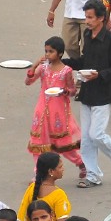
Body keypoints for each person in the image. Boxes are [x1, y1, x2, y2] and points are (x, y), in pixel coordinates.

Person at [61, 0, 111, 188]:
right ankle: (93, 175)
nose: (88, 21)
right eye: (86, 17)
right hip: (88, 92)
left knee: (96, 134)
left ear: (101, 18)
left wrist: (99, 75)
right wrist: (64, 62)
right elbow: (84, 61)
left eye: (91, 17)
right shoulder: (88, 36)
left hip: (103, 93)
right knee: (86, 138)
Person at [25, 43, 87, 180]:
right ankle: (39, 174)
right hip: (41, 111)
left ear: (60, 53)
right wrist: (35, 65)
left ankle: (81, 163)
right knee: (39, 144)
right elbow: (28, 81)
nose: (47, 54)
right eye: (46, 51)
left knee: (62, 144)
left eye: (51, 51)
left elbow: (72, 91)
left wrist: (64, 91)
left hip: (58, 112)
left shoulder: (66, 71)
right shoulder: (43, 68)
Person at [19, 152, 74, 221]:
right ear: (51, 171)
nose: (63, 169)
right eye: (60, 167)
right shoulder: (59, 195)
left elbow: (22, 218)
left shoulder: (32, 188)